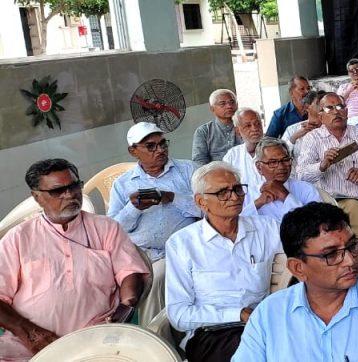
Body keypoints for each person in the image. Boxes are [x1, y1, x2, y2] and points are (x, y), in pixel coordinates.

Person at [231, 202, 358, 361]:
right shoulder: (269, 315)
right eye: (331, 254)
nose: (350, 260)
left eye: (351, 247)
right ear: (298, 268)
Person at [0, 159, 149, 360]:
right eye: (57, 191)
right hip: (29, 344)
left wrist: (125, 307)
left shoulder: (106, 227)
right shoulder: (18, 237)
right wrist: (31, 334)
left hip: (95, 339)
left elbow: (130, 272)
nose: (69, 194)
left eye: (74, 186)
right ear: (37, 197)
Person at [165, 162, 283, 361]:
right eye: (223, 192)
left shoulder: (268, 229)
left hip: (265, 324)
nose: (235, 197)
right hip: (213, 334)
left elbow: (304, 257)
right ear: (201, 202)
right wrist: (237, 314)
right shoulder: (182, 244)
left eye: (238, 189)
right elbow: (179, 314)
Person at [109, 123, 201, 324]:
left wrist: (173, 197)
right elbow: (113, 230)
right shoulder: (123, 183)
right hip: (142, 254)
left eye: (163, 144)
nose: (160, 150)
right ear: (133, 151)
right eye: (151, 146)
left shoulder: (188, 170)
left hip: (182, 249)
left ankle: (154, 334)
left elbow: (207, 208)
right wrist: (133, 208)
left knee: (158, 276)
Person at [295, 93, 358, 243]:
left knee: (355, 211)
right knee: (352, 207)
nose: (336, 111)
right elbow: (301, 176)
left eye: (340, 106)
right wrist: (322, 166)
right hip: (331, 201)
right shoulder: (312, 139)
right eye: (329, 108)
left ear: (347, 112)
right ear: (321, 116)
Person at [251, 137, 320, 221]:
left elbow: (316, 224)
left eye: (285, 160)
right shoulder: (249, 195)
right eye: (273, 162)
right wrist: (258, 203)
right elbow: (237, 225)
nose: (281, 167)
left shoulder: (307, 189)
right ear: (259, 167)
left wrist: (286, 196)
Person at [192, 89, 242, 165]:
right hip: (218, 174)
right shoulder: (204, 131)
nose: (229, 106)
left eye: (232, 102)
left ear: (237, 105)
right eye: (222, 104)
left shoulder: (246, 125)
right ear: (212, 108)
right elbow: (199, 161)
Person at [222, 108, 267, 192]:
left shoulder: (275, 149)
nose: (255, 128)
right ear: (238, 131)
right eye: (248, 126)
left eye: (257, 124)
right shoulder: (232, 156)